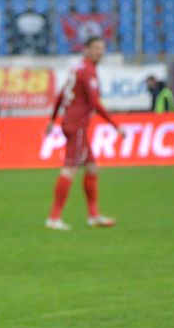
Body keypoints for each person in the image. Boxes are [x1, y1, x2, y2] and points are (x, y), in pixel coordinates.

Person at [44, 36, 125, 230]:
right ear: (86, 50)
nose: (100, 52)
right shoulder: (88, 70)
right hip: (77, 125)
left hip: (71, 122)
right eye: (96, 48)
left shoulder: (77, 68)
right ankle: (54, 218)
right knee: (70, 168)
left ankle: (94, 216)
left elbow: (61, 94)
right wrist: (116, 125)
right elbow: (95, 103)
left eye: (102, 48)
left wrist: (52, 119)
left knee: (92, 168)